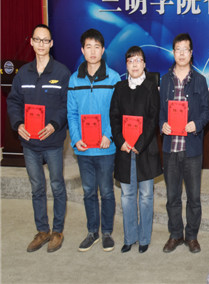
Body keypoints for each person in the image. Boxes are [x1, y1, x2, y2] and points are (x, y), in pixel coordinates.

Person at [6, 24, 70, 253]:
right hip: (30, 143)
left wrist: (54, 125)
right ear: (31, 42)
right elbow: (13, 102)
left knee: (57, 185)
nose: (41, 44)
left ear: (51, 44)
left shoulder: (62, 73)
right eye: (37, 39)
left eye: (46, 40)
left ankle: (57, 231)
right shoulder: (23, 73)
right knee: (37, 187)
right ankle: (42, 230)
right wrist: (18, 124)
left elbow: (66, 104)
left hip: (52, 141)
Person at [67, 29, 120, 252]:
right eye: (88, 47)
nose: (93, 51)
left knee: (106, 191)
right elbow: (71, 113)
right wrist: (75, 139)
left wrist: (108, 135)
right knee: (89, 191)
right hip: (84, 149)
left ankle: (106, 232)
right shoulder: (74, 79)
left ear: (103, 50)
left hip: (106, 147)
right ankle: (92, 232)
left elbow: (116, 111)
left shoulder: (114, 78)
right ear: (82, 50)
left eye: (97, 47)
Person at [160, 33, 209, 254]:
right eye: (178, 49)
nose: (181, 54)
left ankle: (191, 236)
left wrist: (196, 124)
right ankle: (175, 235)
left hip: (192, 148)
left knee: (193, 197)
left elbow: (207, 111)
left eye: (185, 49)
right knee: (172, 197)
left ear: (191, 53)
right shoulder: (164, 80)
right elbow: (160, 111)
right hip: (170, 148)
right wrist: (162, 124)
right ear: (173, 52)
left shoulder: (200, 80)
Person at [110, 46, 162, 254]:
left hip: (144, 150)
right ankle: (129, 237)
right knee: (127, 196)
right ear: (126, 65)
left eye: (138, 60)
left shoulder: (151, 88)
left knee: (146, 196)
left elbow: (152, 119)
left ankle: (144, 238)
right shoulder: (119, 87)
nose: (134, 65)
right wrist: (121, 141)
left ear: (144, 64)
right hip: (124, 149)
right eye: (130, 61)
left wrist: (138, 144)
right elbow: (114, 117)